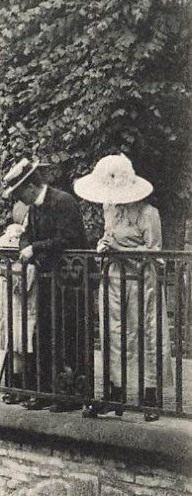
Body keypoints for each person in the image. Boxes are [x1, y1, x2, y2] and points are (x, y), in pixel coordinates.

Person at [74, 153, 172, 421]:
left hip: (142, 281)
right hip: (114, 277)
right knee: (113, 332)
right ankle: (113, 393)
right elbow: (108, 236)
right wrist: (103, 247)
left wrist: (119, 248)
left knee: (144, 331)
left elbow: (154, 253)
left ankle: (149, 396)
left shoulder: (148, 213)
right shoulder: (110, 209)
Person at [2, 156, 88, 411]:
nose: (19, 199)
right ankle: (47, 391)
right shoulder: (34, 208)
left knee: (67, 336)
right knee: (45, 336)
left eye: (19, 193)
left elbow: (68, 238)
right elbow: (25, 235)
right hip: (48, 280)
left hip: (70, 281)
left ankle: (70, 395)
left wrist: (34, 249)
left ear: (30, 187)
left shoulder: (63, 202)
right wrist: (26, 246)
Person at [0, 200, 37, 403]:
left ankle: (23, 386)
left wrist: (4, 271)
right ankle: (15, 384)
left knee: (23, 341)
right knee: (15, 340)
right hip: (13, 303)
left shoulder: (29, 250)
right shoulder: (15, 240)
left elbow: (23, 285)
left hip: (27, 302)